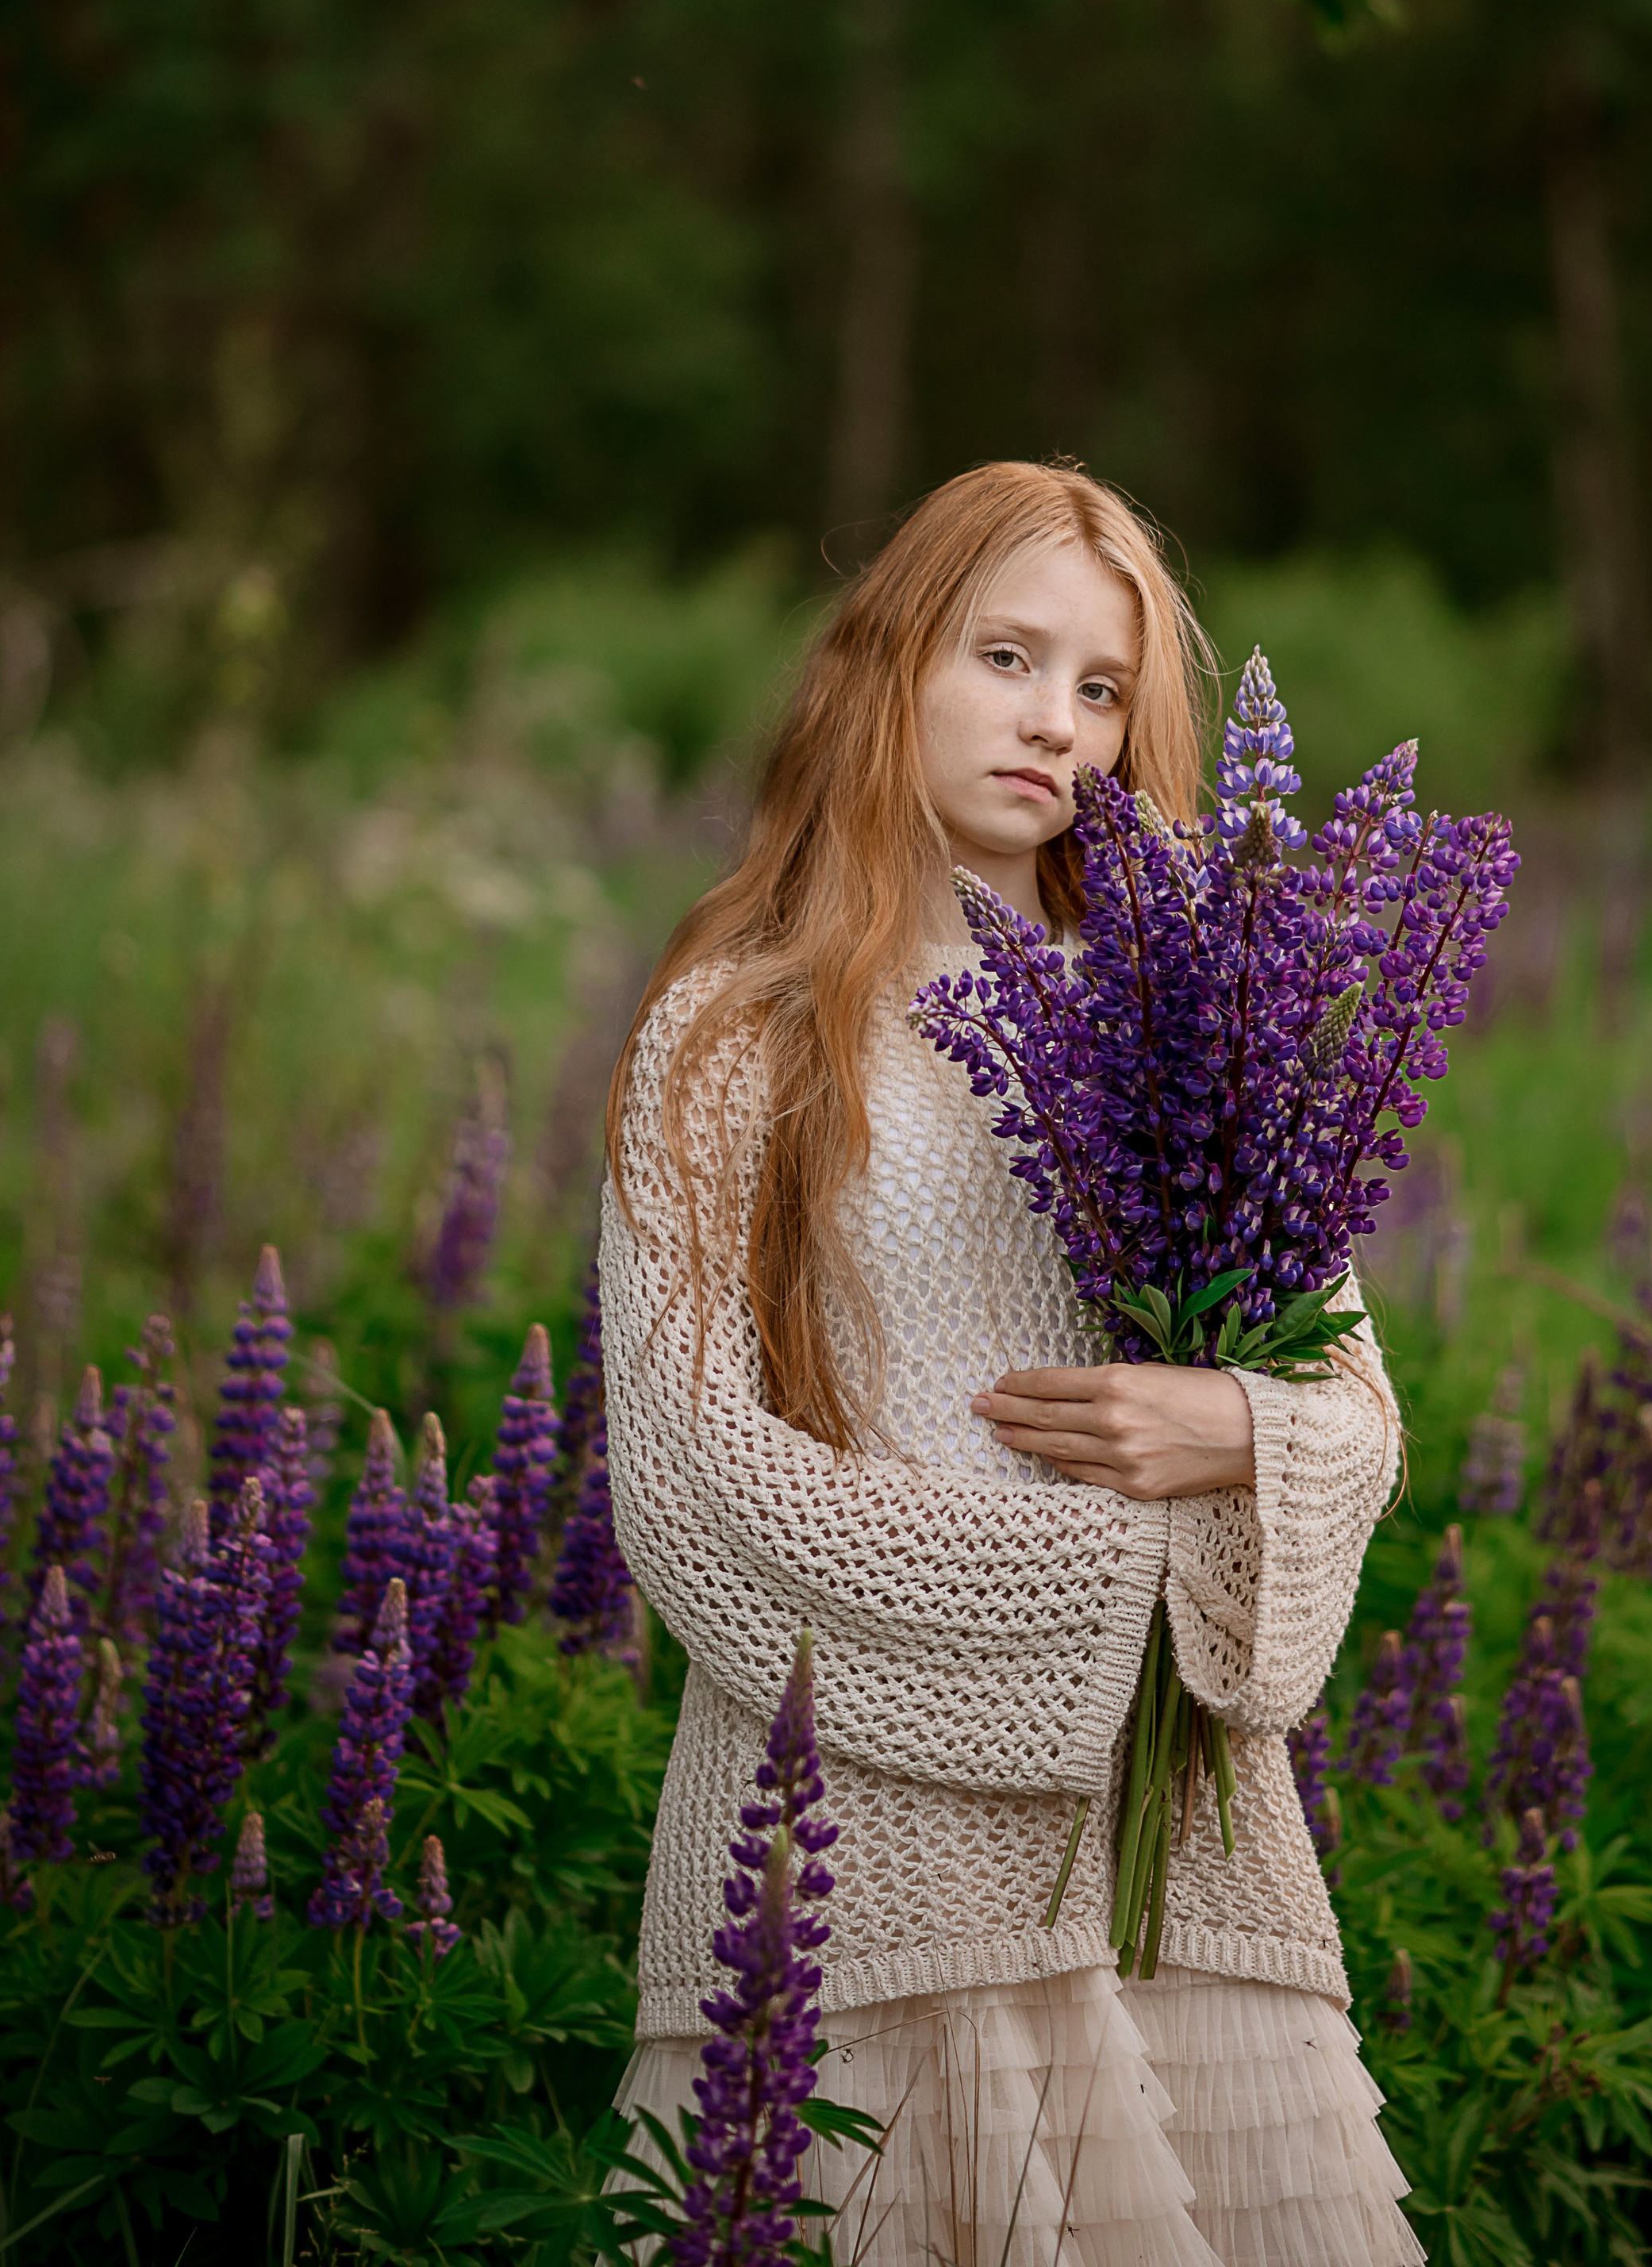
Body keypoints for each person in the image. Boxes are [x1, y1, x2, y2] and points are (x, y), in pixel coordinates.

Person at [602, 460, 1420, 2267]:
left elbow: (1355, 1416)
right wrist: (1112, 1581)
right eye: (1005, 656)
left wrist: (1235, 1423)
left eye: (1102, 687)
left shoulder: (1198, 1016)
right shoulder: (735, 1031)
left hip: (1180, 1853)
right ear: (889, 657)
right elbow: (688, 1481)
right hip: (850, 1860)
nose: (1056, 721)